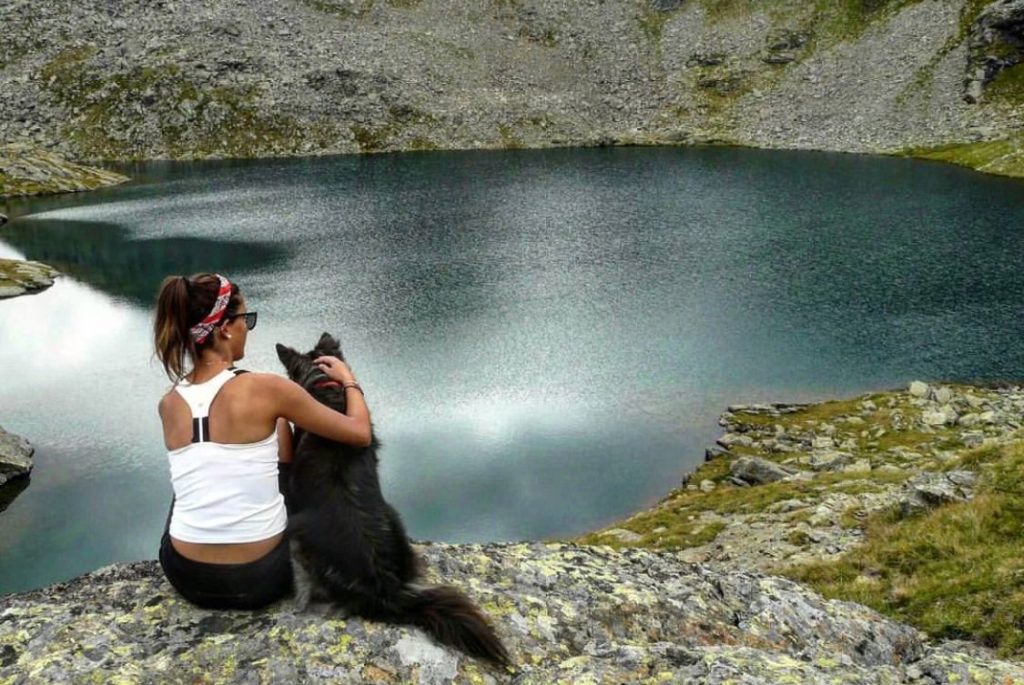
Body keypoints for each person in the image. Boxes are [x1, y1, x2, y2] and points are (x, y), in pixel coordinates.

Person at [152, 272, 372, 609]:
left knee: (191, 476)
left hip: (186, 577)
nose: (247, 330)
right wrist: (348, 380)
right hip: (261, 578)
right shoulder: (267, 388)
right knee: (275, 439)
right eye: (246, 319)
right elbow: (359, 434)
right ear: (224, 327)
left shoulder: (168, 403)